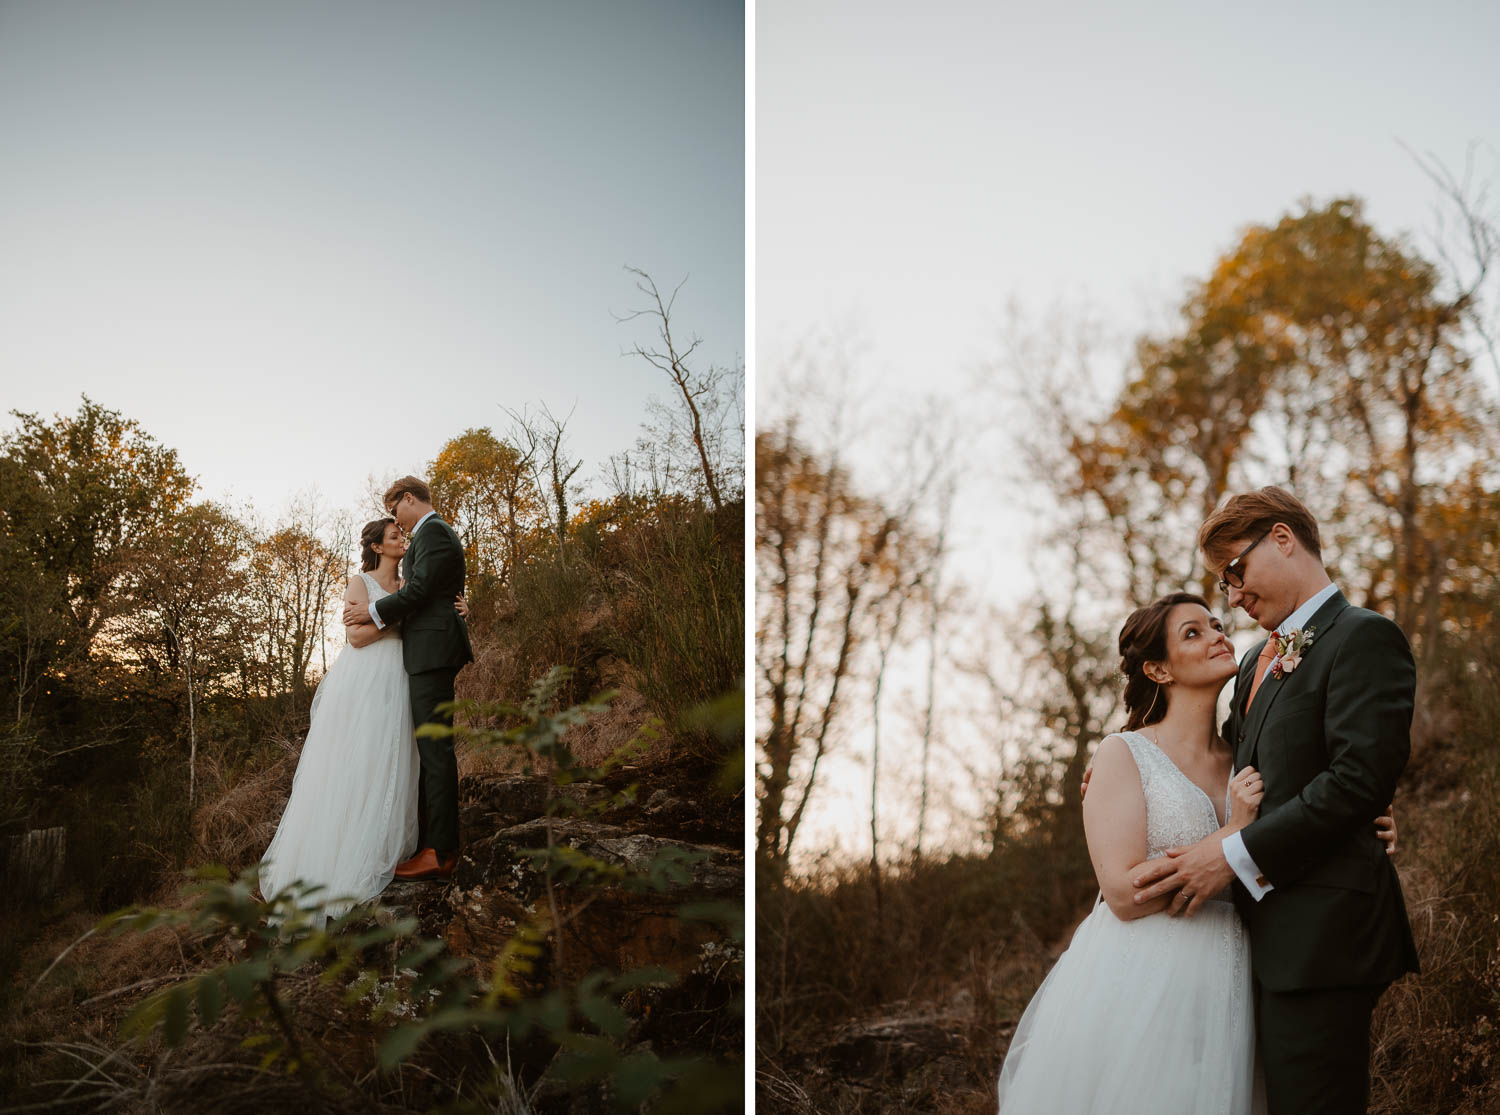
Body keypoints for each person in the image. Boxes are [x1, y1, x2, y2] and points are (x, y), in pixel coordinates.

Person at [996, 590, 1401, 1114]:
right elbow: (1121, 893)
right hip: (1143, 978)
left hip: (1240, 971)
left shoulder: (1247, 757)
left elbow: (1311, 810)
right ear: (1159, 671)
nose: (1217, 634)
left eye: (1214, 624)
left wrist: (1370, 818)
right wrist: (1231, 832)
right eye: (1193, 632)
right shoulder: (1122, 754)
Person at [1130, 487, 1419, 1115]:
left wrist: (1229, 856)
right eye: (1223, 582)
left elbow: (1355, 780)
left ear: (1282, 539)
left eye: (1235, 571)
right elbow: (1230, 765)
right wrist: (1132, 765)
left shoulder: (1364, 637)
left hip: (1321, 942)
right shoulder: (1259, 657)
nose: (1231, 595)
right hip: (1245, 945)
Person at [260, 517, 468, 926]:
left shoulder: (410, 584)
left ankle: (385, 845)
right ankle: (335, 863)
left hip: (400, 677)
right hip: (365, 679)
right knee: (358, 760)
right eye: (394, 536)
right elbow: (355, 638)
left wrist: (458, 609)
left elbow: (420, 613)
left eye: (402, 535)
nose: (402, 540)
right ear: (377, 545)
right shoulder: (362, 582)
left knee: (393, 760)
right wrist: (395, 617)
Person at [343, 476, 474, 881]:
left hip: (431, 654)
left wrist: (373, 613)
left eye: (396, 510)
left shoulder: (433, 533)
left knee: (434, 751)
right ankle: (429, 842)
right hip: (425, 653)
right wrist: (459, 608)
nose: (396, 520)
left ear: (409, 499)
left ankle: (440, 852)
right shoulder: (433, 535)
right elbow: (434, 591)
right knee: (427, 752)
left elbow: (418, 591)